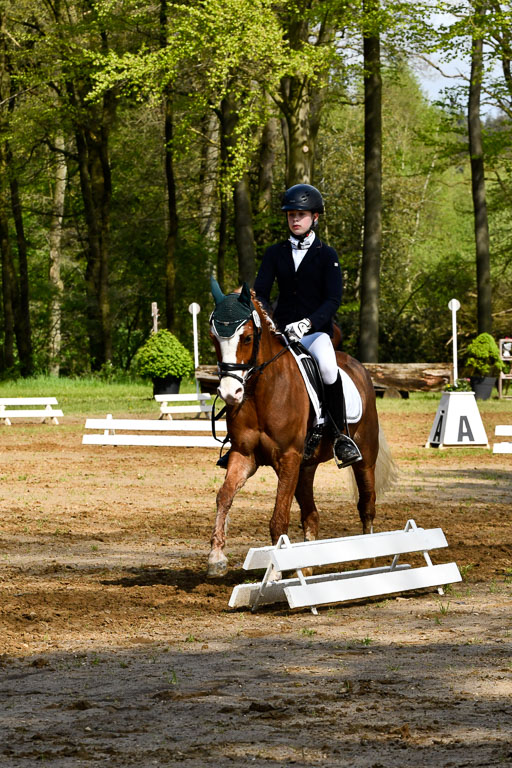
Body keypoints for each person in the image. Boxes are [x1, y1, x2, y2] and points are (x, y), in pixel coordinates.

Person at [217, 183, 362, 469]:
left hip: (315, 332)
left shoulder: (327, 255)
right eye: (291, 214)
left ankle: (339, 437)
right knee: (248, 368)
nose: (295, 219)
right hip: (280, 332)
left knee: (328, 368)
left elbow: (333, 300)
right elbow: (260, 293)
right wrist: (270, 322)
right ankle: (237, 439)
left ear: (315, 218)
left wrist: (308, 323)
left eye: (302, 214)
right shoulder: (275, 253)